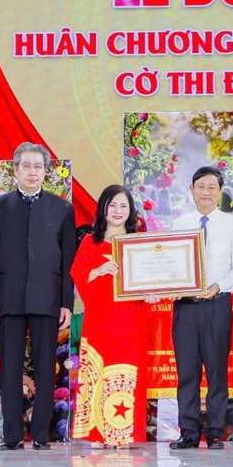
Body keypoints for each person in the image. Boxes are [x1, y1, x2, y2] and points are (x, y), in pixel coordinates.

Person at [0, 142, 76, 450]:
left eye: (38, 166)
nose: (33, 172)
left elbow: (67, 260)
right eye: (26, 166)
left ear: (45, 171)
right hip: (8, 298)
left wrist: (66, 302)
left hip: (48, 298)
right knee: (9, 367)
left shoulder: (61, 208)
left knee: (47, 366)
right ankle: (12, 435)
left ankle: (41, 434)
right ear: (15, 169)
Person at [169, 166, 233, 451]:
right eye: (200, 186)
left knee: (217, 370)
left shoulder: (232, 224)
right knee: (187, 372)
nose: (206, 192)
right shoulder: (179, 224)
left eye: (211, 187)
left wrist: (218, 285)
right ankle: (188, 432)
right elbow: (170, 263)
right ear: (191, 190)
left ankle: (216, 431)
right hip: (185, 308)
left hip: (217, 305)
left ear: (219, 192)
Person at [69, 184, 150, 448]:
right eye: (112, 205)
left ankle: (122, 432)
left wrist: (153, 291)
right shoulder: (89, 242)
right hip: (100, 319)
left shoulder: (138, 242)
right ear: (103, 208)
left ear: (131, 211)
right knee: (99, 370)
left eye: (123, 206)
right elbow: (79, 277)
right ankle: (96, 433)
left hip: (131, 319)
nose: (117, 211)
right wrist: (100, 269)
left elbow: (152, 278)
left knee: (128, 370)